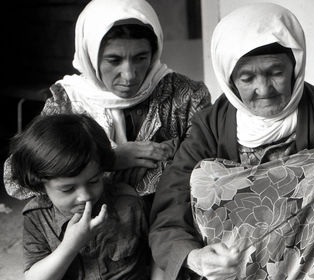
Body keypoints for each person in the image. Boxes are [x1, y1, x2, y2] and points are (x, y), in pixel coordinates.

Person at [149, 3, 314, 279]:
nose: (264, 89)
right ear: (228, 79)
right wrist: (194, 257)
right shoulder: (210, 128)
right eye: (247, 77)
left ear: (295, 67)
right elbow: (169, 214)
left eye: (276, 73)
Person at [3, 0, 211, 203]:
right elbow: (15, 179)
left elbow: (208, 157)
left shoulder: (187, 94)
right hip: (90, 222)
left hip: (167, 213)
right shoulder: (68, 101)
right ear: (90, 55)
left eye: (140, 58)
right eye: (114, 60)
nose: (129, 75)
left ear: (154, 52)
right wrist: (106, 160)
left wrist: (162, 157)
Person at [10, 113, 150, 280]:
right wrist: (70, 245)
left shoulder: (129, 204)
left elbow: (158, 257)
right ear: (41, 185)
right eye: (68, 189)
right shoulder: (37, 217)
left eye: (93, 181)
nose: (85, 196)